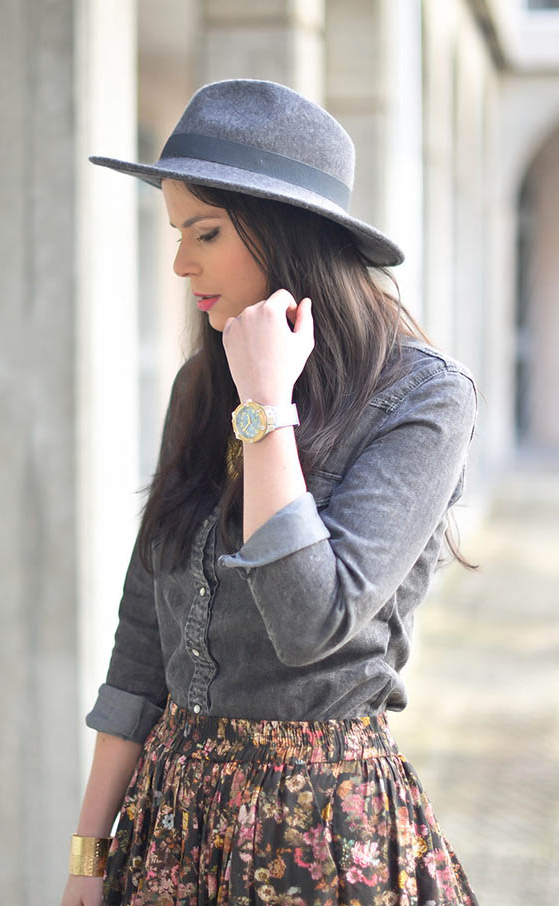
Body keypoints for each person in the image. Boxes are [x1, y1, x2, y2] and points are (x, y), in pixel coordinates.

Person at [61, 79, 480, 906]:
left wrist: (265, 407)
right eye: (178, 233)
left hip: (321, 837)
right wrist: (88, 857)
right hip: (169, 828)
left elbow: (309, 621)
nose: (181, 263)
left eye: (206, 232)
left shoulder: (423, 398)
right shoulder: (200, 384)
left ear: (283, 230)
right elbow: (142, 643)